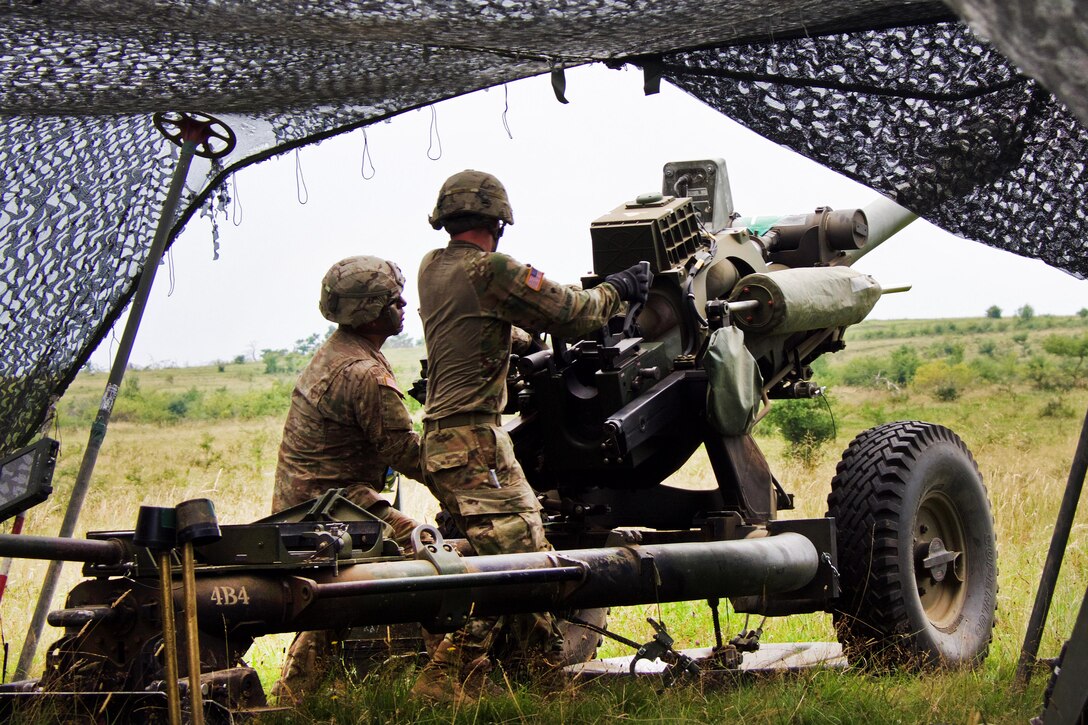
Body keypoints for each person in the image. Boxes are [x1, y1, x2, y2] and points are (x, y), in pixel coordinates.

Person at [411, 170, 651, 703]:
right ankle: (446, 676)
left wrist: (522, 333)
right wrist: (622, 287)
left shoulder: (434, 267)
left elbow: (476, 321)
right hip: (475, 443)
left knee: (518, 550)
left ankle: (541, 680)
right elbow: (575, 312)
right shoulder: (491, 267)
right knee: (524, 565)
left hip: (442, 441)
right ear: (499, 222)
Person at [271, 254, 427, 702]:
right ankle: (448, 672)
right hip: (330, 511)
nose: (401, 304)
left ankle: (293, 695)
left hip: (316, 505)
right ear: (367, 310)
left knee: (331, 601)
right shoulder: (365, 373)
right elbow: (409, 455)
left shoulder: (338, 352)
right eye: (389, 299)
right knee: (434, 557)